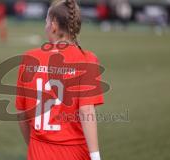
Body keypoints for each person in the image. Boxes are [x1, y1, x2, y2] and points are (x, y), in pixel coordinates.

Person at [16, 0, 104, 160]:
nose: (45, 27)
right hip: (75, 154)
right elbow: (87, 111)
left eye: (46, 22)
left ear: (54, 25)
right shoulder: (87, 59)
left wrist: (35, 146)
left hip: (38, 153)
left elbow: (21, 113)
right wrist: (96, 157)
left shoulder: (29, 58)